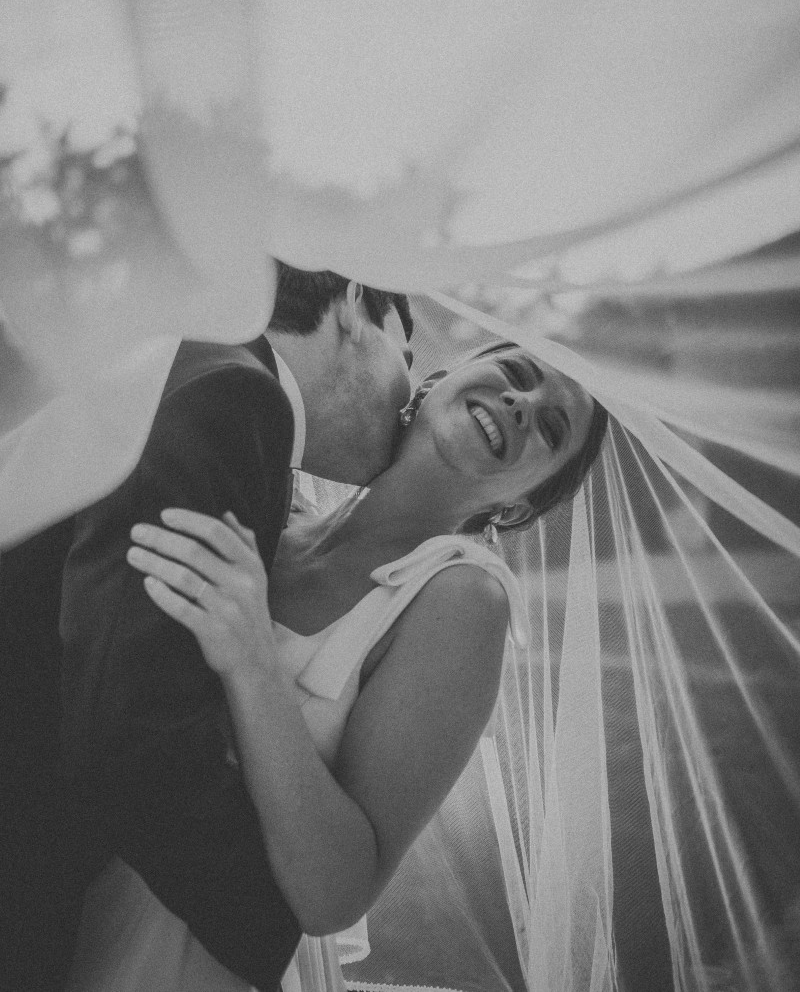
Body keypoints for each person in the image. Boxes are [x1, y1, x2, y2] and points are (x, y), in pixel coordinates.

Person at [67, 341, 609, 991]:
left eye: (550, 427)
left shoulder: (462, 597)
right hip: (79, 877)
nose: (523, 405)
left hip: (192, 954)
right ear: (434, 381)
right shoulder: (280, 506)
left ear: (519, 507)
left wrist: (255, 667)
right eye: (517, 376)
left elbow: (336, 893)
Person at [6, 262, 411, 992]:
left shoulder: (184, 357)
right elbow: (124, 720)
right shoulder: (239, 396)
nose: (408, 398)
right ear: (354, 305)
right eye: (405, 357)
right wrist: (269, 923)